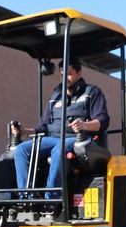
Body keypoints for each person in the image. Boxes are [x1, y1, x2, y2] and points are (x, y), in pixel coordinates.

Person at [11, 57, 110, 196]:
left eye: (68, 74)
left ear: (79, 73)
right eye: (62, 74)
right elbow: (42, 127)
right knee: (21, 150)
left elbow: (103, 121)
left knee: (59, 149)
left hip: (76, 139)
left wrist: (84, 125)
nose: (64, 78)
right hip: (52, 139)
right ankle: (26, 197)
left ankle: (51, 198)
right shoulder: (55, 96)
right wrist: (23, 131)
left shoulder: (92, 93)